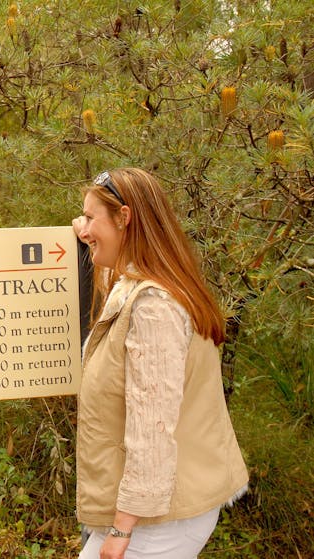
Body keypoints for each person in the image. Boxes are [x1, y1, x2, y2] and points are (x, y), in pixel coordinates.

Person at [71, 168, 248, 559]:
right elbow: (109, 274)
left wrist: (121, 528)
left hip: (156, 521)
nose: (83, 229)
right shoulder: (143, 284)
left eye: (90, 217)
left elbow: (151, 428)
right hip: (157, 512)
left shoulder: (153, 308)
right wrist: (87, 228)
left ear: (125, 218)